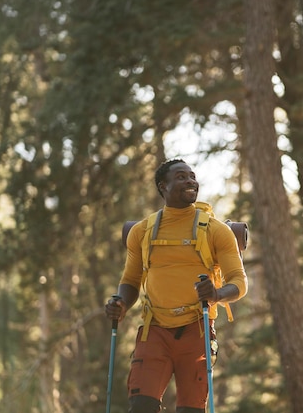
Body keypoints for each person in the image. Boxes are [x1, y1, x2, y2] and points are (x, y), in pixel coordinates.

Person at [105, 158, 248, 413]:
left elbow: (239, 282)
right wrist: (122, 303)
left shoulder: (216, 230)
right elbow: (130, 281)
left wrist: (215, 294)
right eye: (181, 177)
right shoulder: (142, 232)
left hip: (198, 330)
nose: (190, 181)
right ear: (163, 186)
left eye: (192, 176)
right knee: (141, 406)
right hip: (155, 330)